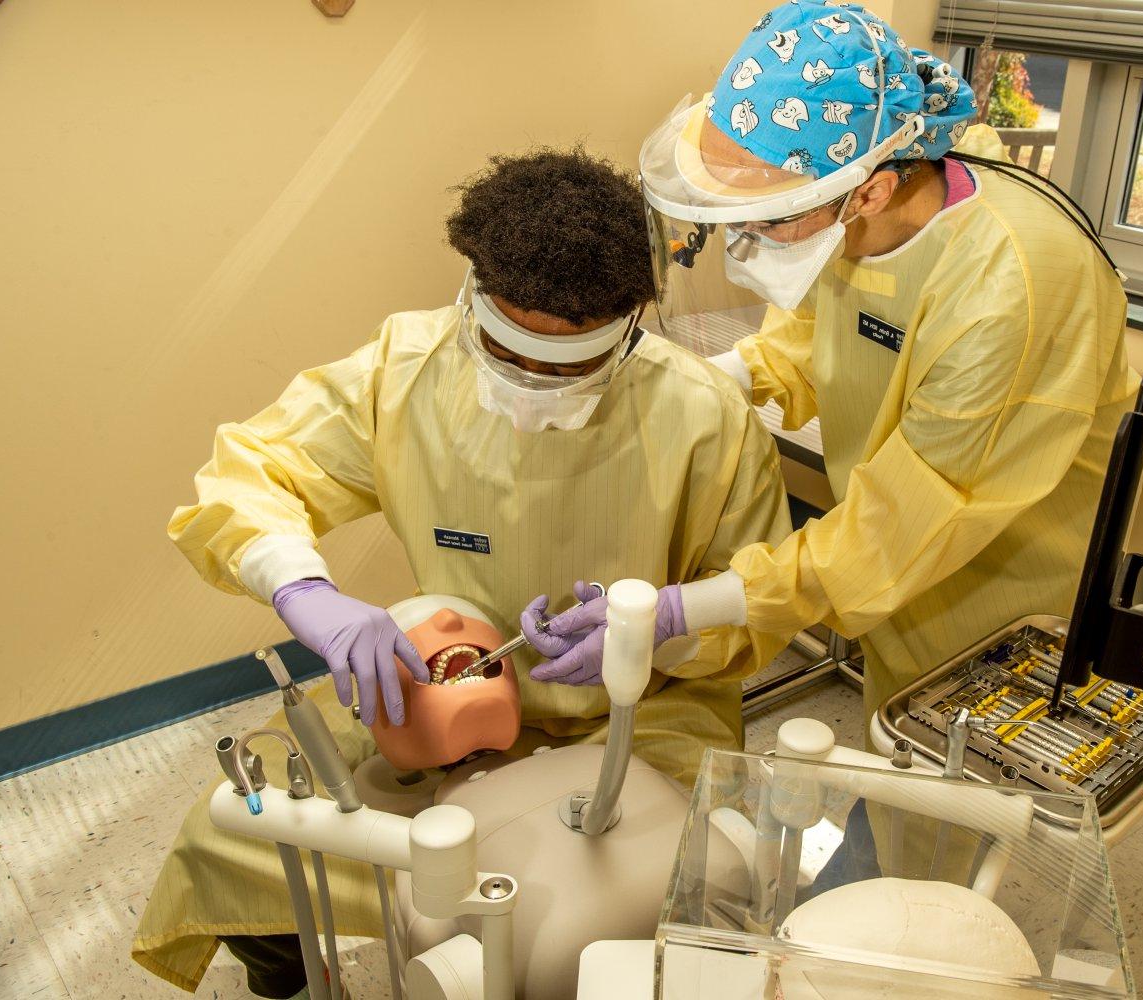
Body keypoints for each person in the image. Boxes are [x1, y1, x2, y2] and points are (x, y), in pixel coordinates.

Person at [132, 147, 791, 998]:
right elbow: (252, 475)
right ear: (472, 299)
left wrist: (653, 635)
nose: (535, 386)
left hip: (640, 708)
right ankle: (281, 958)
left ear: (630, 329)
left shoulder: (704, 415)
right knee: (235, 833)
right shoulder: (401, 372)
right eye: (509, 353)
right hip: (428, 676)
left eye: (572, 367)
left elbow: (760, 600)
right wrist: (304, 589)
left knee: (616, 895)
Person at [525, 1, 1138, 738]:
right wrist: (681, 385)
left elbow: (905, 521)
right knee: (897, 792)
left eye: (769, 218)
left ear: (871, 189)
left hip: (998, 611)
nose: (747, 241)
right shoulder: (848, 231)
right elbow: (798, 348)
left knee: (968, 823)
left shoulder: (1012, 287)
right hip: (888, 583)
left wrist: (687, 610)